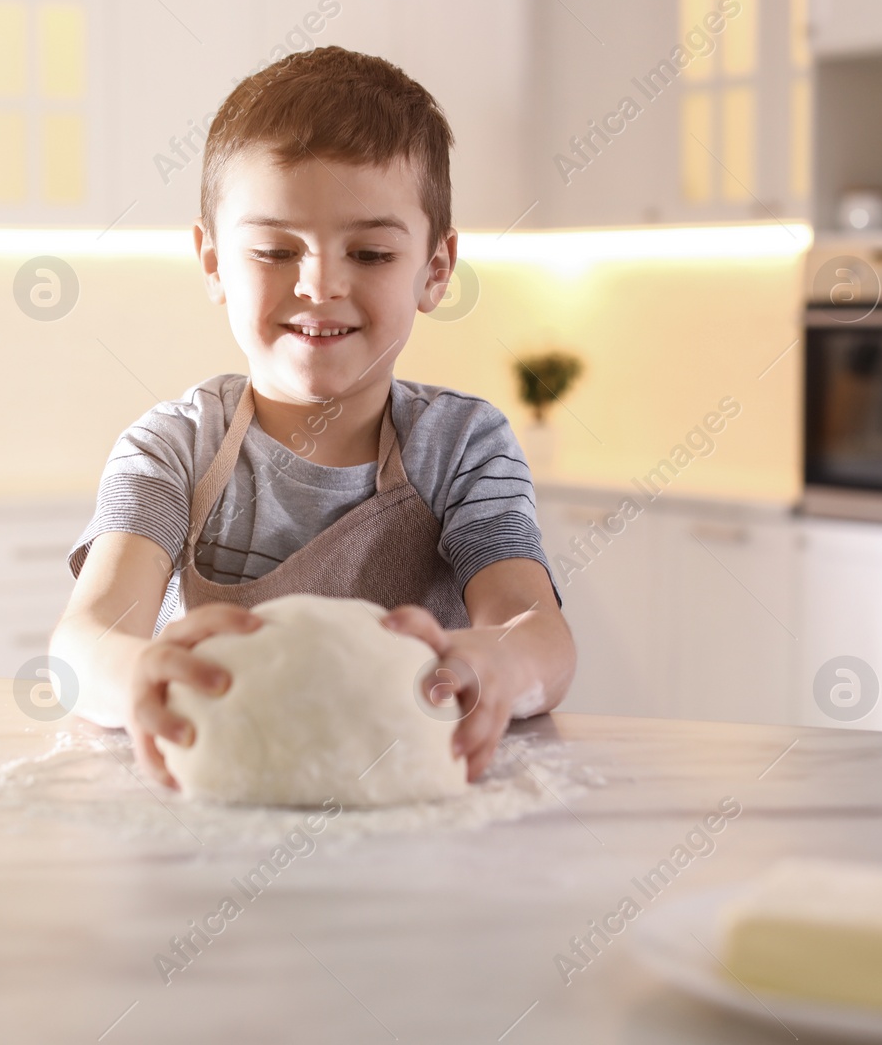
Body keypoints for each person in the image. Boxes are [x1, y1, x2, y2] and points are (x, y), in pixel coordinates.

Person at [50, 46, 575, 788]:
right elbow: (83, 643)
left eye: (368, 252)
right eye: (273, 249)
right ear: (212, 263)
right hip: (217, 815)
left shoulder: (462, 448)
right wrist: (135, 671)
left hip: (413, 818)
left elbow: (538, 634)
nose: (320, 284)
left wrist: (501, 662)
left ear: (435, 270)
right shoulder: (174, 449)